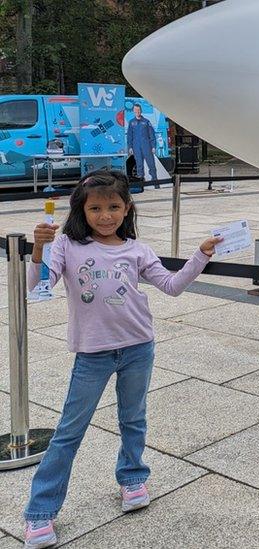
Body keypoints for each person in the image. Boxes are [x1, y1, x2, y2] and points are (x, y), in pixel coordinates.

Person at [22, 170, 221, 548]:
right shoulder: (66, 244)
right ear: (81, 209)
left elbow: (172, 286)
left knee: (133, 418)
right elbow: (38, 285)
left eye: (114, 207)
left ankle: (132, 477)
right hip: (92, 353)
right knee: (69, 431)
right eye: (96, 208)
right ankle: (40, 511)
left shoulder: (137, 249)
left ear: (127, 208)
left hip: (137, 347)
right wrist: (37, 249)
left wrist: (201, 254)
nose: (106, 215)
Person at [126, 104, 157, 182]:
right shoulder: (131, 122)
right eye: (136, 110)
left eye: (139, 110)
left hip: (147, 146)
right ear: (133, 111)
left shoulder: (146, 122)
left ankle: (155, 182)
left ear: (141, 111)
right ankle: (141, 183)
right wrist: (130, 147)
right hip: (136, 147)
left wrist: (153, 146)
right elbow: (129, 136)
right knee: (139, 165)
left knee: (151, 164)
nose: (137, 112)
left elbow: (151, 135)